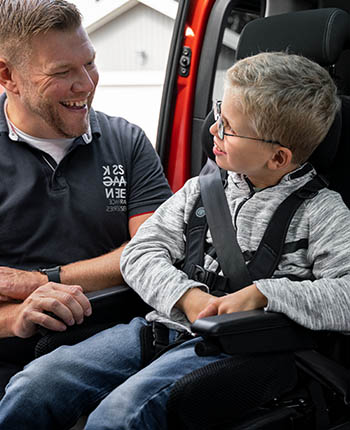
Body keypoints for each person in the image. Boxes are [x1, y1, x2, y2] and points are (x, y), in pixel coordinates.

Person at [1, 51, 350, 430]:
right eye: (219, 113)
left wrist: (265, 295)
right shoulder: (200, 192)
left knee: (119, 416)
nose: (213, 129)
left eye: (229, 128)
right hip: (159, 328)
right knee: (34, 385)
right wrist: (188, 297)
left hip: (241, 349)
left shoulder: (323, 212)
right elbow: (140, 253)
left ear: (278, 157)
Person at [0, 0, 171, 380]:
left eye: (89, 63)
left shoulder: (127, 141)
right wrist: (16, 317)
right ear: (7, 75)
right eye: (62, 71)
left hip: (117, 341)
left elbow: (154, 249)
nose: (87, 84)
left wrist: (43, 281)